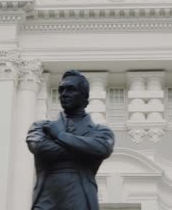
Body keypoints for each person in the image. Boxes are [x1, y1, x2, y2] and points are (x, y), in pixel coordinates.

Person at [26, 70, 115, 210]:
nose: (64, 94)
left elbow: (102, 148)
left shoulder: (100, 131)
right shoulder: (41, 126)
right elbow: (39, 147)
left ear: (85, 96)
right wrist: (84, 149)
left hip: (80, 198)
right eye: (61, 90)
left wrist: (60, 136)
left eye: (71, 89)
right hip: (46, 200)